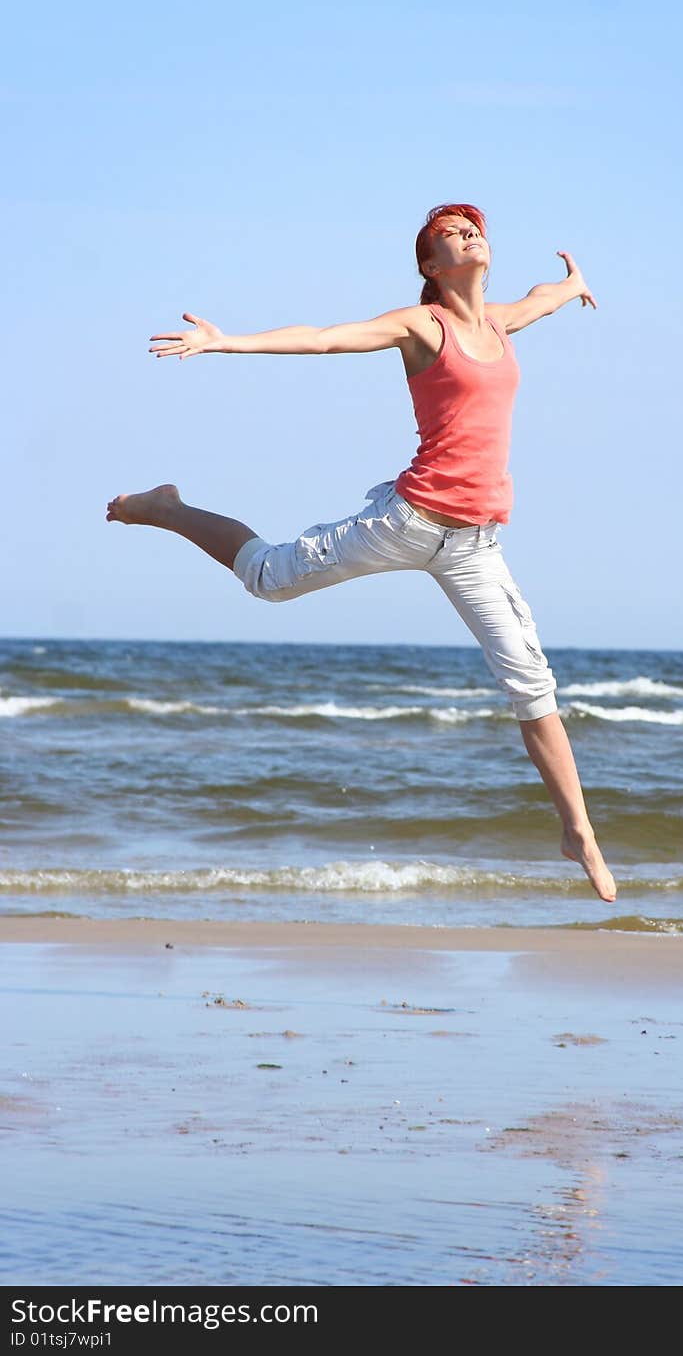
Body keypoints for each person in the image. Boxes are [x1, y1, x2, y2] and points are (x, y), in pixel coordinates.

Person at [107, 204, 617, 903]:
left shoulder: (501, 320)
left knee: (534, 687)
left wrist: (571, 284)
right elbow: (323, 339)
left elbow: (542, 299)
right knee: (267, 577)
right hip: (407, 520)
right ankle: (167, 508)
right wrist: (228, 343)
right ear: (431, 268)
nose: (469, 233)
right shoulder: (421, 326)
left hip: (476, 546)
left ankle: (577, 832)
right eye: (451, 233)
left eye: (475, 228)